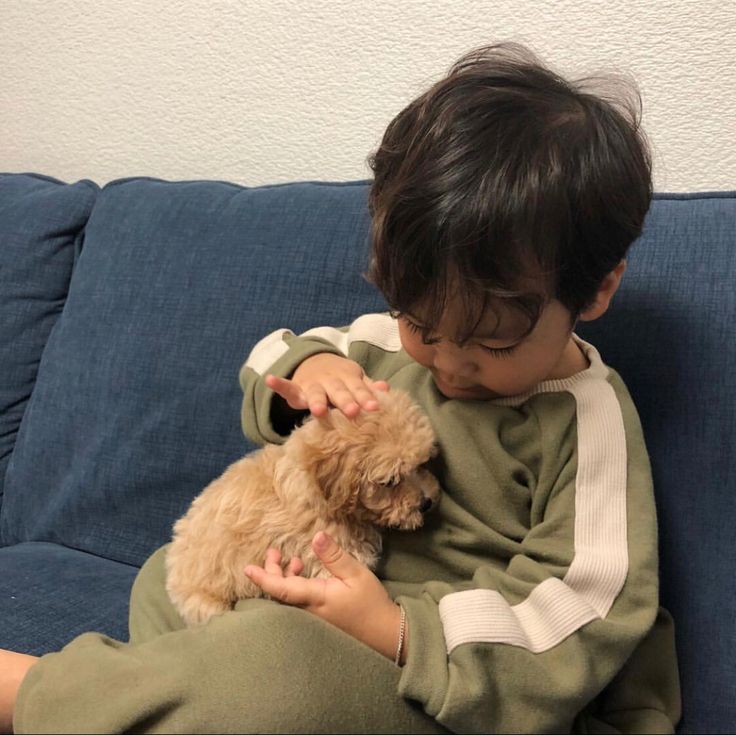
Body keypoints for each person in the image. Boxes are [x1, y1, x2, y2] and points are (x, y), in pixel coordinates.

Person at [1, 42, 680, 734]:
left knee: (275, 662)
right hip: (329, 613)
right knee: (167, 575)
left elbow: (585, 612)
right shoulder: (390, 346)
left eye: (492, 343)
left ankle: (36, 694)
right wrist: (307, 372)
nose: (447, 363)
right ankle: (188, 701)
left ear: (598, 288)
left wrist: (394, 628)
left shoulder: (587, 420)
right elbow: (277, 354)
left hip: (447, 680)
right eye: (420, 323)